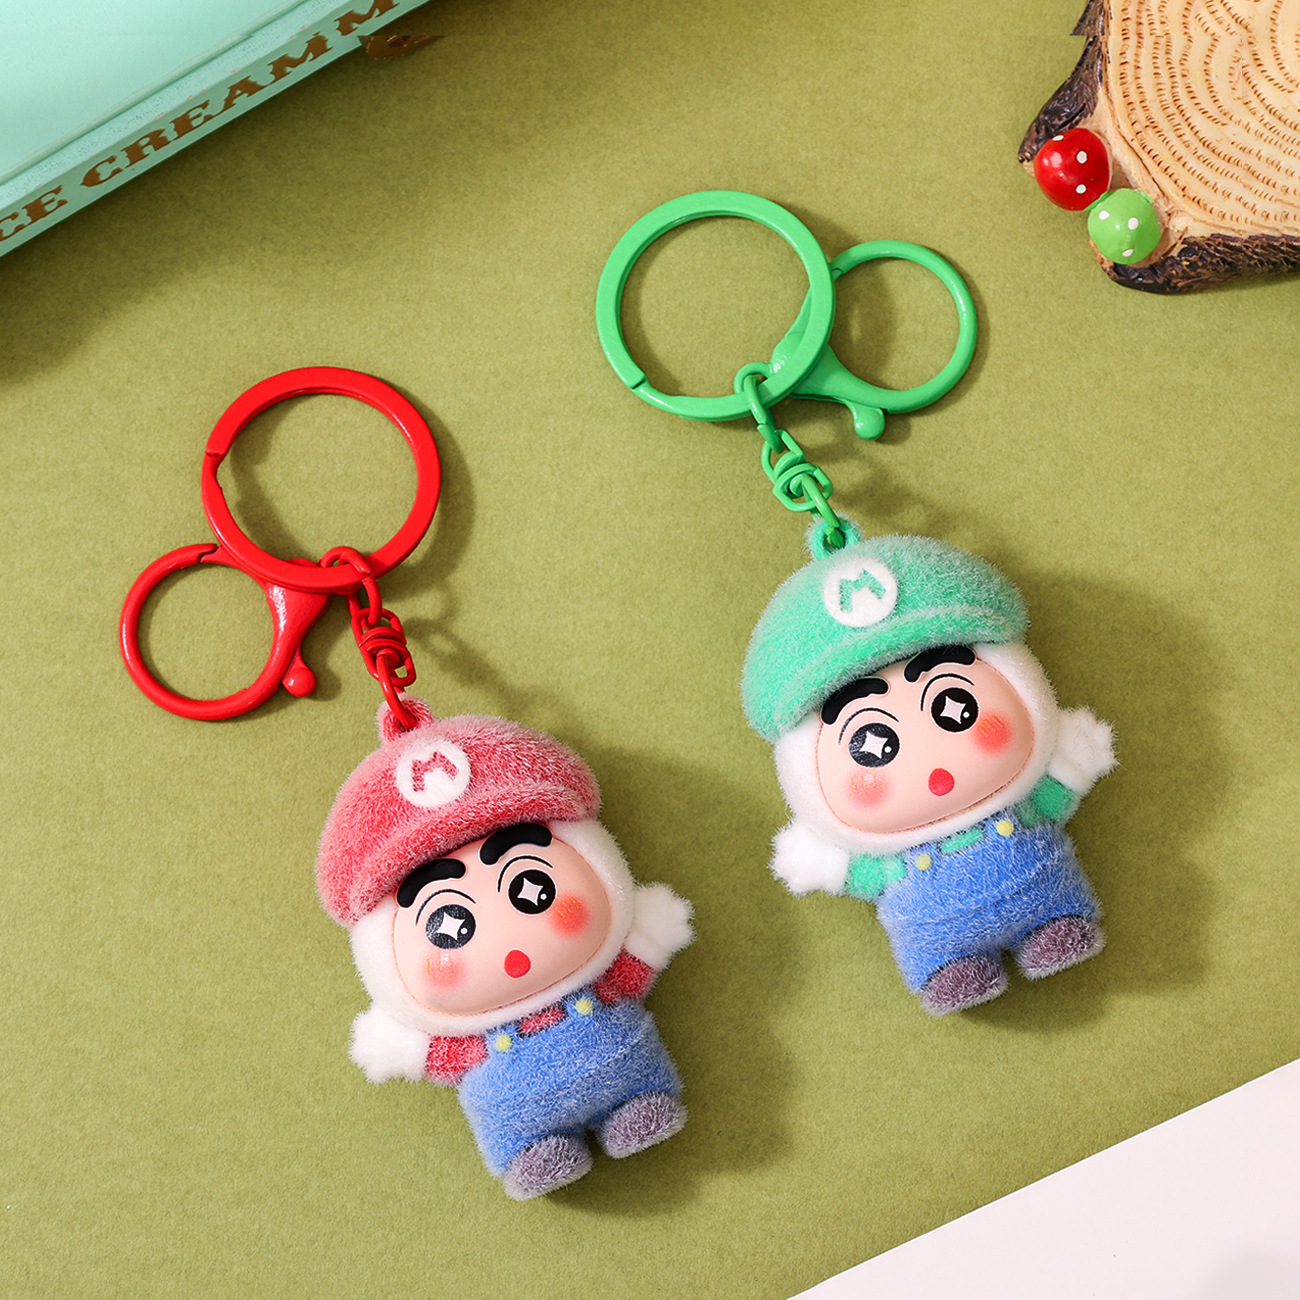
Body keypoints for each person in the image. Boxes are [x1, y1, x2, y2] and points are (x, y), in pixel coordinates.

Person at [316, 698, 693, 1198]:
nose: (510, 949)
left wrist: (647, 937)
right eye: (449, 925)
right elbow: (439, 1054)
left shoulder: (602, 973)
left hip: (625, 1070)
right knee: (530, 1149)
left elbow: (630, 970)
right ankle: (531, 1150)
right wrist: (405, 1048)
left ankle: (638, 1105)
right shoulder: (463, 1035)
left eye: (532, 888)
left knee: (643, 1107)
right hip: (519, 1112)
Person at [742, 522, 1115, 1015]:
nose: (934, 766)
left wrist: (1070, 763)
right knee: (947, 963)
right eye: (871, 744)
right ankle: (950, 967)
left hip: (1042, 888)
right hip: (938, 935)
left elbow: (1055, 791)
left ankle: (1055, 927)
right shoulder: (882, 856)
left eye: (955, 706)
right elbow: (860, 873)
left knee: (1058, 925)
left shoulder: (1027, 794)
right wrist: (827, 864)